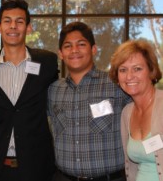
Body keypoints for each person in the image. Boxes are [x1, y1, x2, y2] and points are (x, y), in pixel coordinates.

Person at [0, 0, 58, 181]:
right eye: (7, 21)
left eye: (19, 22)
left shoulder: (47, 63)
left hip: (38, 168)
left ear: (28, 28)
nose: (13, 26)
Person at [48, 21, 131, 181]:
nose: (74, 50)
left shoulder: (115, 84)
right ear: (60, 53)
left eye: (81, 44)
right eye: (68, 46)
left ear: (93, 49)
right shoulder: (53, 90)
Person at [109, 39, 163, 181]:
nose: (129, 76)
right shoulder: (127, 113)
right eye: (123, 70)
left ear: (151, 71)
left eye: (137, 68)